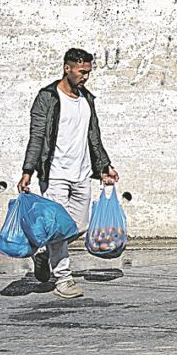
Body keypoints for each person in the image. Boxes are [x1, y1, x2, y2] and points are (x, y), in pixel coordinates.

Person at [18, 48, 119, 299]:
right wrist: (28, 170)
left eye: (88, 72)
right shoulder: (48, 97)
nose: (85, 76)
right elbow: (37, 136)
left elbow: (93, 137)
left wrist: (104, 165)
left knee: (79, 225)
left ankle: (42, 251)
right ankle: (63, 278)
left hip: (82, 172)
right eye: (82, 71)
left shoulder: (86, 99)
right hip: (55, 174)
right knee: (58, 227)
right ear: (67, 68)